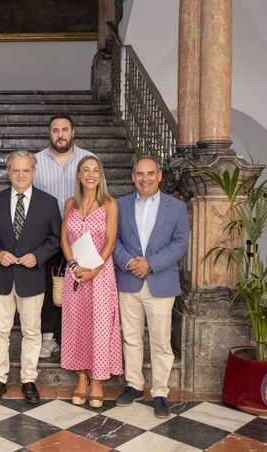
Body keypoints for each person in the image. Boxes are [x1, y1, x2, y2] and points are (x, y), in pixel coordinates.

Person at [0, 151, 61, 404]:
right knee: (0, 331)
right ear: (8, 172)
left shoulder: (48, 203)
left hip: (32, 278)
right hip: (1, 276)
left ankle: (28, 379)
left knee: (32, 331)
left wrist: (37, 256)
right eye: (16, 170)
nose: (21, 175)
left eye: (26, 170)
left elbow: (56, 239)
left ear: (34, 172)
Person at [113, 156, 189, 418]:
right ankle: (134, 385)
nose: (144, 178)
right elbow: (114, 240)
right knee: (131, 338)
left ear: (159, 176)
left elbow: (180, 243)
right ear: (133, 177)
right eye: (139, 174)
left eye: (149, 174)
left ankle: (160, 392)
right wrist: (129, 262)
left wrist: (151, 264)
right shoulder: (120, 205)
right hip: (129, 279)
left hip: (161, 282)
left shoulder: (176, 208)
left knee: (160, 341)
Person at [60, 155, 123, 408]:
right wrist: (73, 265)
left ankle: (97, 380)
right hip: (75, 275)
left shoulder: (109, 204)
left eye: (95, 170)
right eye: (85, 170)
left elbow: (110, 240)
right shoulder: (69, 204)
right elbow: (64, 239)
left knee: (99, 326)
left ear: (101, 175)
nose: (90, 175)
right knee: (78, 325)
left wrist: (96, 269)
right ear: (78, 175)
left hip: (100, 275)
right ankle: (82, 377)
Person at [34, 115, 94, 358]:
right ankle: (48, 337)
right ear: (50, 133)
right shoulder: (36, 161)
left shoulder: (88, 160)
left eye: (65, 130)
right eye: (55, 130)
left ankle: (73, 337)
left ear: (73, 132)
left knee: (77, 287)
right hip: (46, 236)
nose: (60, 134)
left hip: (79, 236)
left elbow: (98, 193)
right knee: (48, 287)